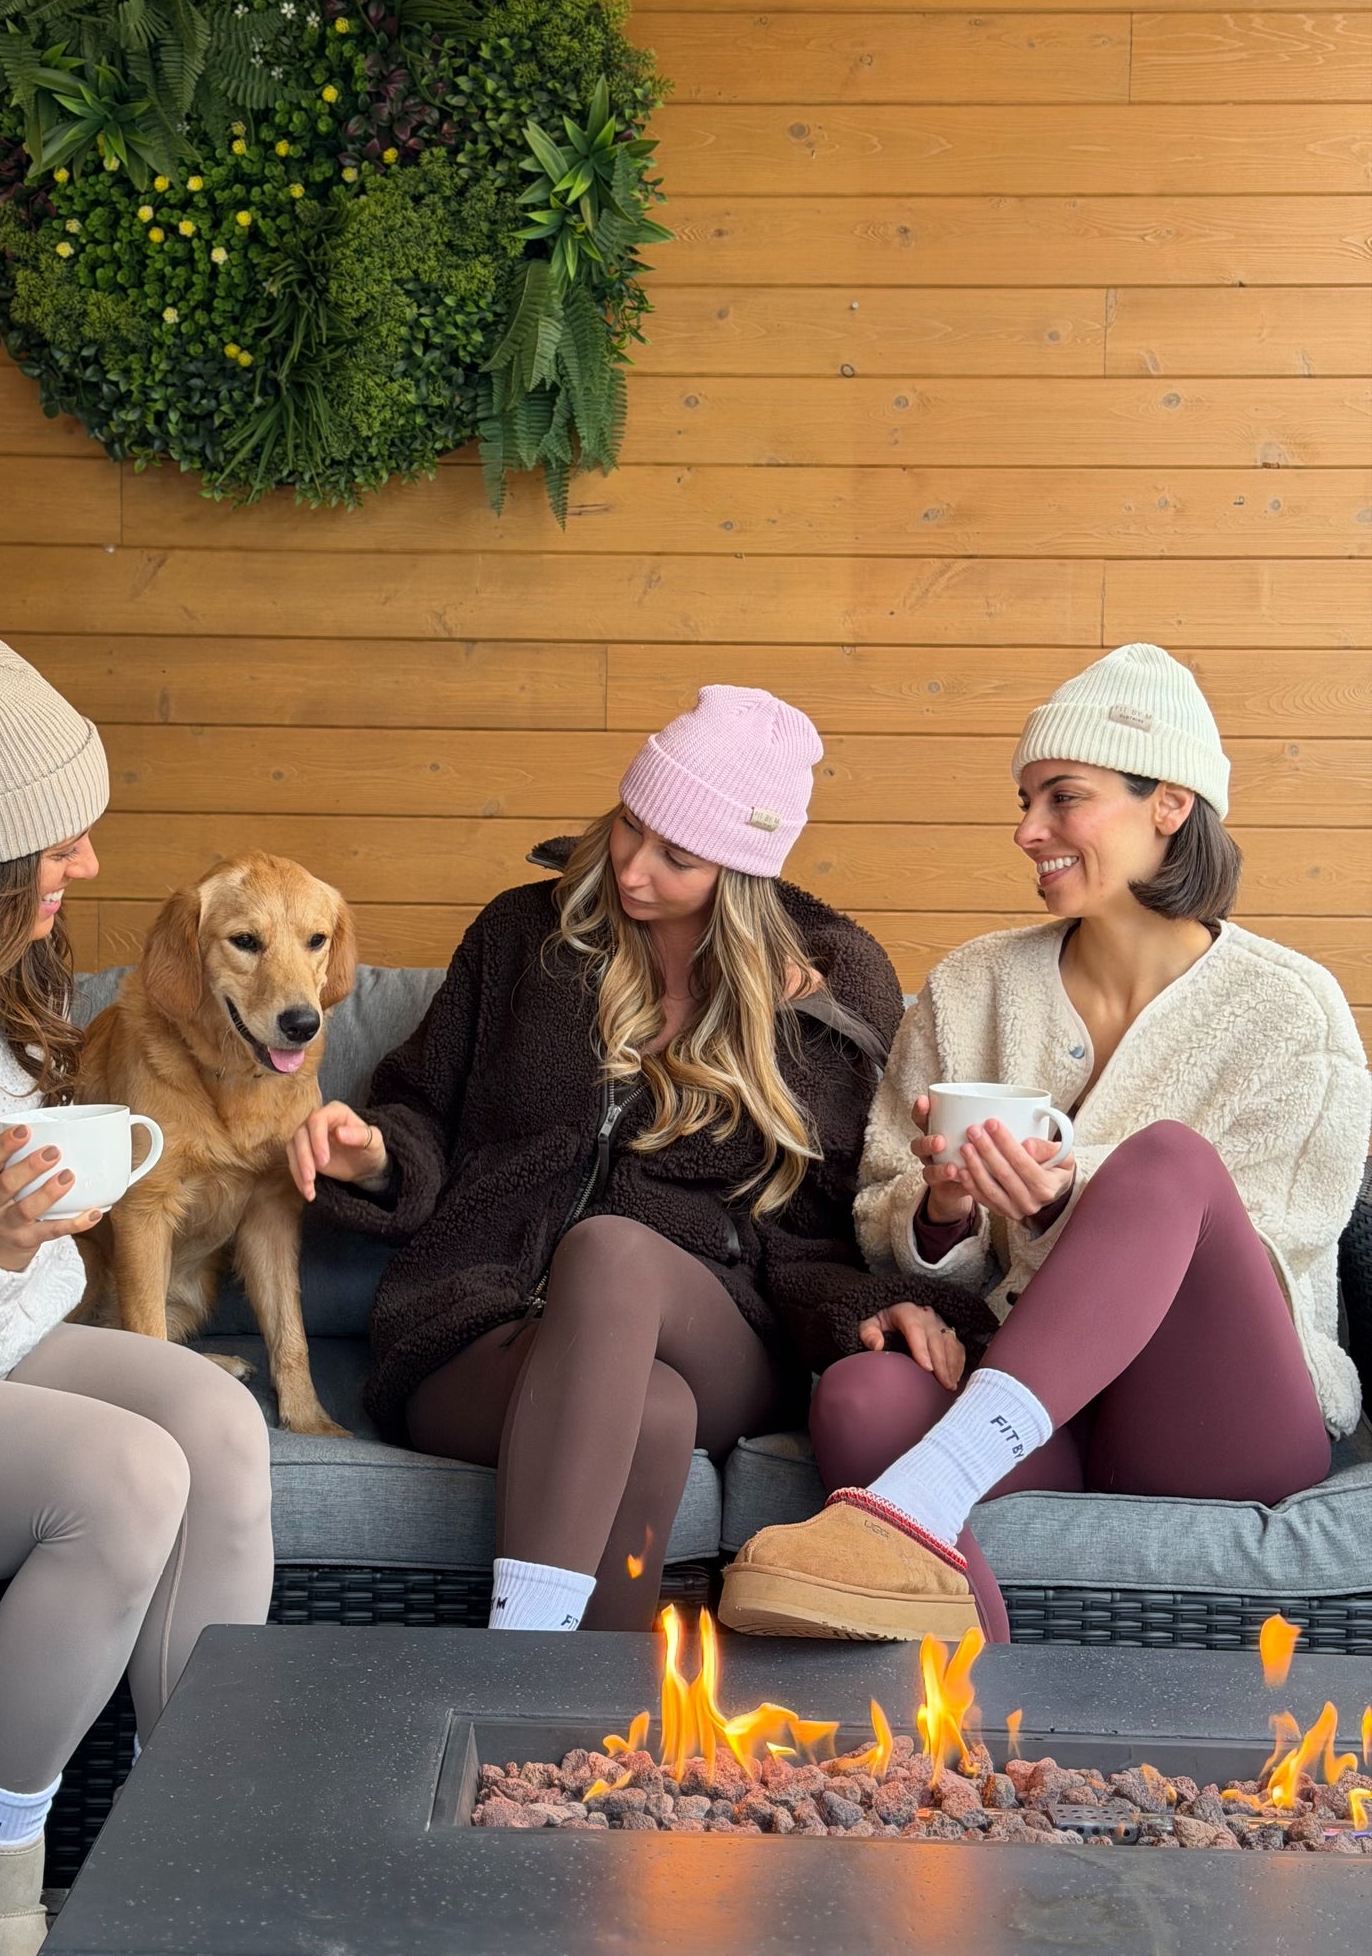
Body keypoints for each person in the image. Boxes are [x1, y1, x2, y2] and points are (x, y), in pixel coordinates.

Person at [289, 685, 989, 1633]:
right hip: (480, 1325)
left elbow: (814, 1226)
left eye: (677, 856)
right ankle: (586, 1704)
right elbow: (419, 1106)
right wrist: (375, 1157)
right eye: (631, 824)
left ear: (741, 875)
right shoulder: (522, 936)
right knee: (649, 1417)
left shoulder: (827, 988)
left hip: (718, 1331)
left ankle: (515, 1652)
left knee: (612, 1250)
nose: (632, 866)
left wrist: (866, 1304)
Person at [719, 643, 1370, 1644]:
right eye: (1025, 801)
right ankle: (982, 1686)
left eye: (1064, 797)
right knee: (858, 1398)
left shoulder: (1290, 1006)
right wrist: (944, 1213)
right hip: (1033, 1412)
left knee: (1169, 1161)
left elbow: (1277, 1239)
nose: (1029, 830)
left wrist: (1066, 1199)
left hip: (1218, 1411)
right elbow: (882, 1205)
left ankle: (927, 1490)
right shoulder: (971, 983)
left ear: (1171, 804)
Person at [0, 633, 274, 1955]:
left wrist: (12, 1235)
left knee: (217, 1420)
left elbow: (0, 1259)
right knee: (125, 1476)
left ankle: (190, 1870)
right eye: (57, 844)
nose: (85, 864)